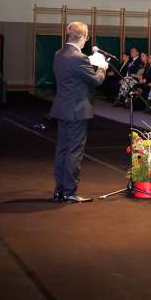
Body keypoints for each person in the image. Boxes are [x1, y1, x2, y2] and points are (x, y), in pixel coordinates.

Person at [49, 22, 106, 203]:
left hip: (62, 108)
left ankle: (59, 189)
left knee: (62, 150)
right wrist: (102, 67)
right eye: (86, 38)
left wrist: (89, 62)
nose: (85, 42)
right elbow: (95, 81)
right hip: (77, 111)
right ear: (81, 38)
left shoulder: (59, 54)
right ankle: (69, 192)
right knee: (74, 152)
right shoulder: (79, 58)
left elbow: (73, 77)